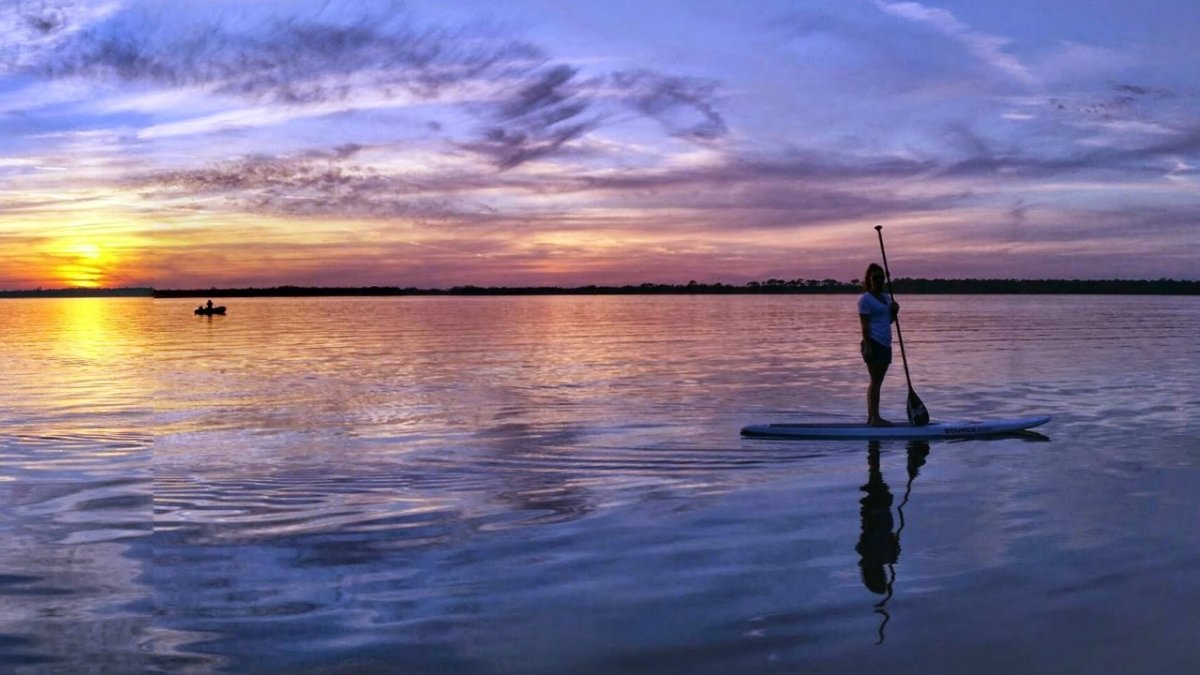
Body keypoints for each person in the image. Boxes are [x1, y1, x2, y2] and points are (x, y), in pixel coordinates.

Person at [859, 263, 899, 426]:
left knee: (878, 381)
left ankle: (872, 417)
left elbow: (887, 321)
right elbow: (864, 325)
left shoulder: (886, 298)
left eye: (881, 277)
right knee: (875, 381)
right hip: (873, 343)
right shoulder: (865, 299)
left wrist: (895, 312)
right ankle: (875, 418)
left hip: (885, 343)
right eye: (875, 277)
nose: (879, 280)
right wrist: (868, 346)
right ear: (869, 279)